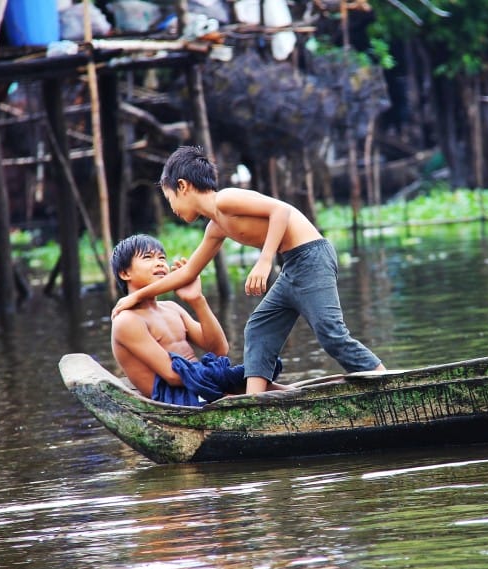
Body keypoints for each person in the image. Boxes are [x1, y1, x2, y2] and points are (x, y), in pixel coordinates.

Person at [111, 145, 385, 394]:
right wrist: (135, 297)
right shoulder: (215, 227)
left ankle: (383, 380)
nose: (172, 209)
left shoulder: (225, 200)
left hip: (311, 257)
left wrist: (265, 261)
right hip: (292, 264)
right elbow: (187, 273)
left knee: (330, 334)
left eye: (170, 199)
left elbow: (281, 211)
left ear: (182, 186)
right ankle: (255, 400)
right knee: (258, 328)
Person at [110, 233, 282, 407]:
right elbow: (173, 376)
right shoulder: (127, 320)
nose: (160, 262)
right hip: (175, 398)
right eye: (148, 257)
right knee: (250, 386)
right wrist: (222, 376)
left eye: (162, 257)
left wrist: (197, 300)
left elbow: (219, 349)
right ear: (125, 273)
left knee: (265, 380)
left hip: (199, 384)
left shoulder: (172, 308)